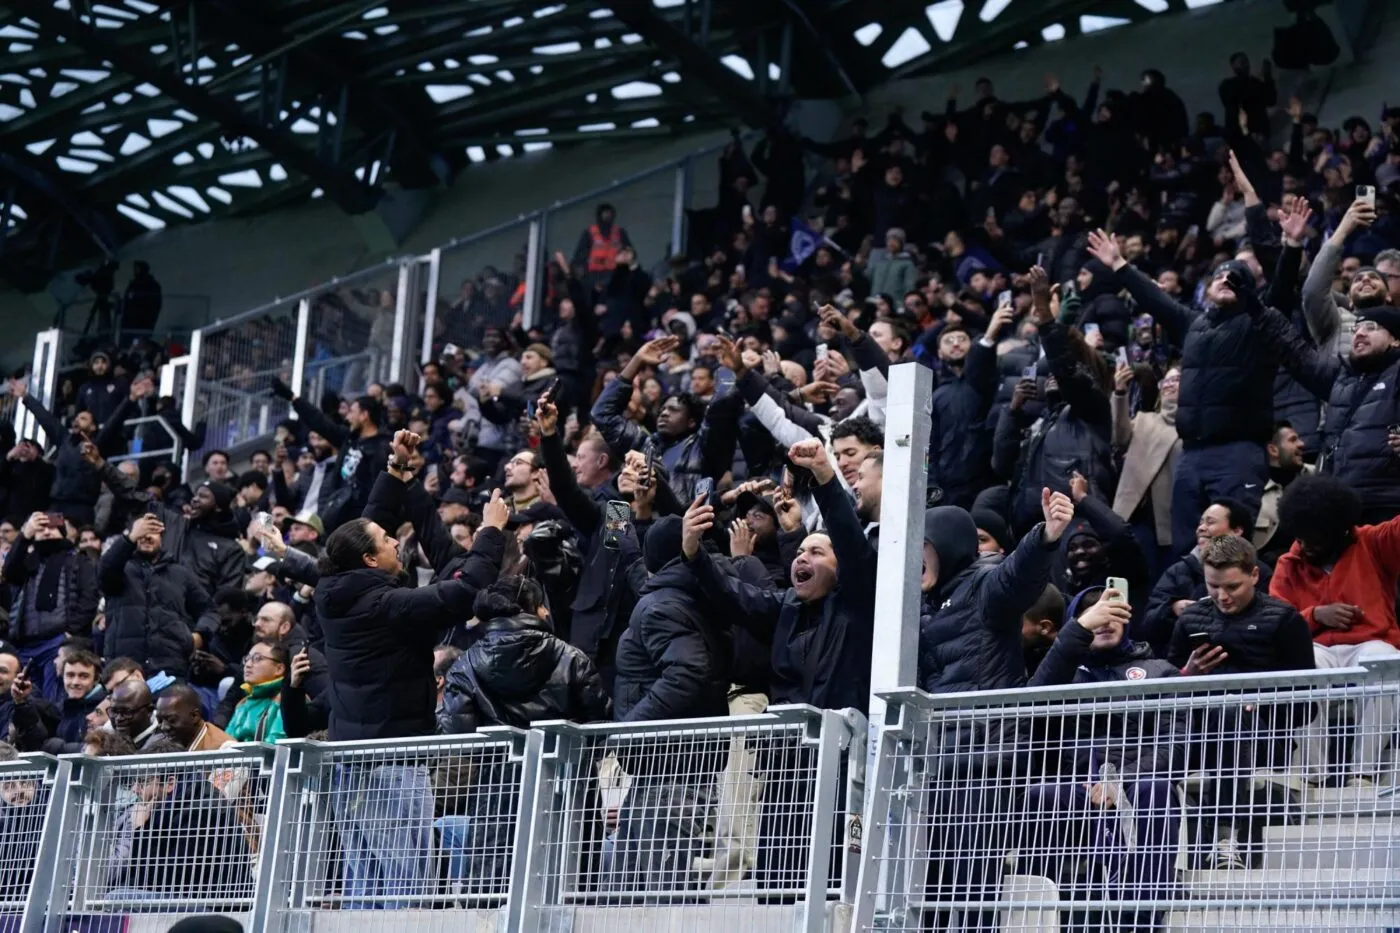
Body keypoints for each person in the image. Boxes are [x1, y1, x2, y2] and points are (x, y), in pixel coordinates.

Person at [1087, 228, 1278, 557]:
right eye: (1220, 276)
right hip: (1192, 454)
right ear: (1207, 288)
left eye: (1235, 277)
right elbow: (1156, 301)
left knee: (1232, 546)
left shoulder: (1259, 325)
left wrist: (1286, 245)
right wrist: (1119, 264)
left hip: (1237, 450)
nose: (1226, 280)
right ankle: (1188, 605)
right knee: (1186, 545)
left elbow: (1284, 289)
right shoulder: (1195, 324)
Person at [1020, 588, 1182, 928]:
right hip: (1078, 786)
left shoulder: (1160, 671)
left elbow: (1175, 745)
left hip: (1137, 782)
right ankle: (1046, 913)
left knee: (1155, 788)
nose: (1105, 619)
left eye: (1113, 610)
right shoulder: (1061, 672)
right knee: (1040, 795)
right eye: (1093, 613)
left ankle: (1141, 919)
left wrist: (1119, 779)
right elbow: (1030, 713)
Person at [1269, 475, 1400, 785]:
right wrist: (1315, 615)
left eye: (1315, 538)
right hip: (1316, 647)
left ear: (1339, 530)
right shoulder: (1289, 563)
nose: (1305, 545)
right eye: (1301, 537)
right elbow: (1274, 623)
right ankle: (1312, 777)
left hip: (1370, 642)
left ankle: (1363, 773)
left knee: (1385, 663)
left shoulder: (1373, 542)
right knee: (1297, 668)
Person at [99, 512, 219, 679]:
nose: (147, 536)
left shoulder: (181, 574)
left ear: (162, 537)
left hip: (170, 667)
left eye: (153, 531)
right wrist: (130, 537)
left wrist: (199, 636)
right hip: (124, 669)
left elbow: (210, 610)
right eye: (142, 532)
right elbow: (104, 572)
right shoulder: (120, 568)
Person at [2, 510, 99, 703]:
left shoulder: (77, 559)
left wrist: (71, 633)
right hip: (25, 644)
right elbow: (9, 571)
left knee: (54, 699)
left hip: (57, 641)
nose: (47, 532)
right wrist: (24, 535)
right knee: (26, 699)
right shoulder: (28, 562)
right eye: (42, 528)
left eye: (53, 528)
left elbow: (89, 598)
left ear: (63, 533)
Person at [225, 638, 289, 743]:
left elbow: (276, 744)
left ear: (279, 669)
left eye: (257, 658)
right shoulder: (242, 703)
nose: (248, 665)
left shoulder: (288, 700)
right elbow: (226, 742)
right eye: (247, 659)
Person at [153, 683, 233, 751]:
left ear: (194, 716)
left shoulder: (223, 749)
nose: (163, 727)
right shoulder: (160, 742)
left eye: (172, 720)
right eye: (159, 720)